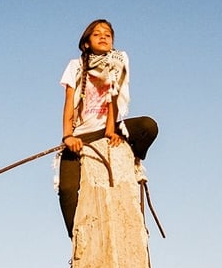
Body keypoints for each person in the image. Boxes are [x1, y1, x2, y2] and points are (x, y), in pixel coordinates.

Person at [58, 19, 158, 238]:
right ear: (86, 43)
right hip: (82, 134)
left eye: (107, 34)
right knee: (66, 190)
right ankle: (79, 243)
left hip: (110, 127)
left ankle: (133, 159)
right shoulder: (75, 66)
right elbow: (68, 102)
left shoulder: (119, 60)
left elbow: (114, 95)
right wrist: (67, 136)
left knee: (147, 127)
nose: (103, 37)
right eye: (97, 34)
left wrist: (111, 130)